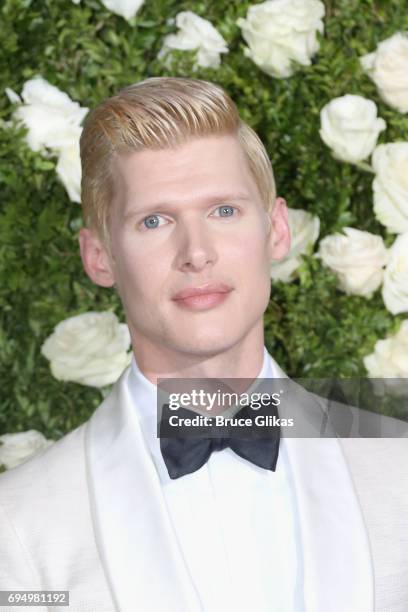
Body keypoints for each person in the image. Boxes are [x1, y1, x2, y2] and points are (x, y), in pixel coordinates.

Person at [0, 77, 407, 612]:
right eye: (154, 220)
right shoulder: (19, 524)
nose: (196, 253)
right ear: (100, 256)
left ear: (276, 230)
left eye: (223, 211)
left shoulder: (398, 469)